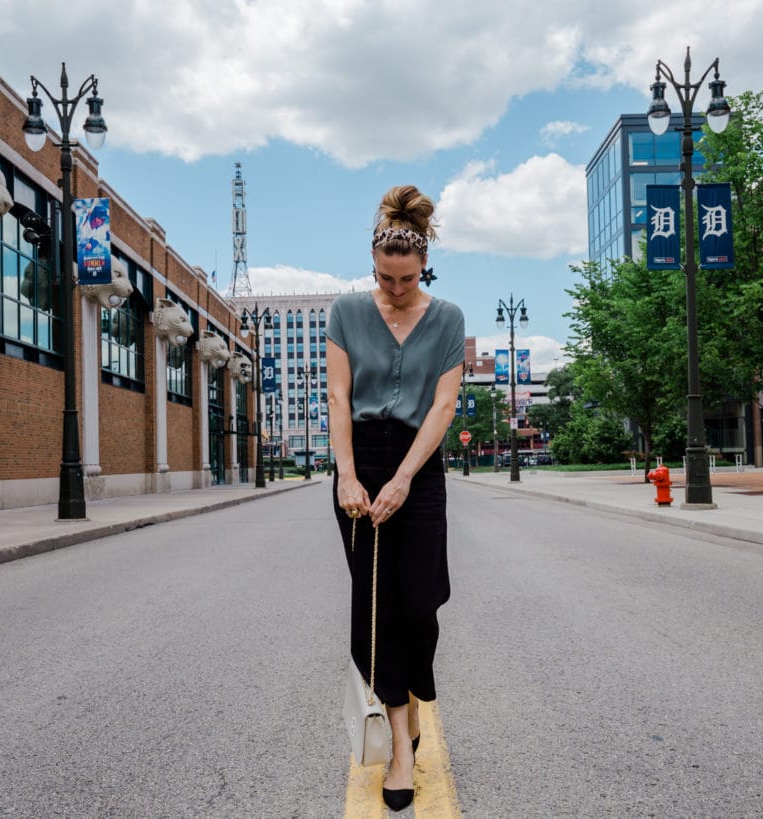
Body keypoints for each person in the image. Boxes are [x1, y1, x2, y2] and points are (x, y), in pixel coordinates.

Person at [326, 185, 464, 811]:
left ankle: (413, 701)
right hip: (362, 462)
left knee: (419, 601)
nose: (395, 289)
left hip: (419, 466)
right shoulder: (347, 312)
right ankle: (402, 743)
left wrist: (406, 478)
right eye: (385, 277)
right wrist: (348, 475)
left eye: (406, 279)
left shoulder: (448, 319)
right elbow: (337, 399)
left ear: (423, 266)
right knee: (375, 607)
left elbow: (442, 407)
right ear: (373, 264)